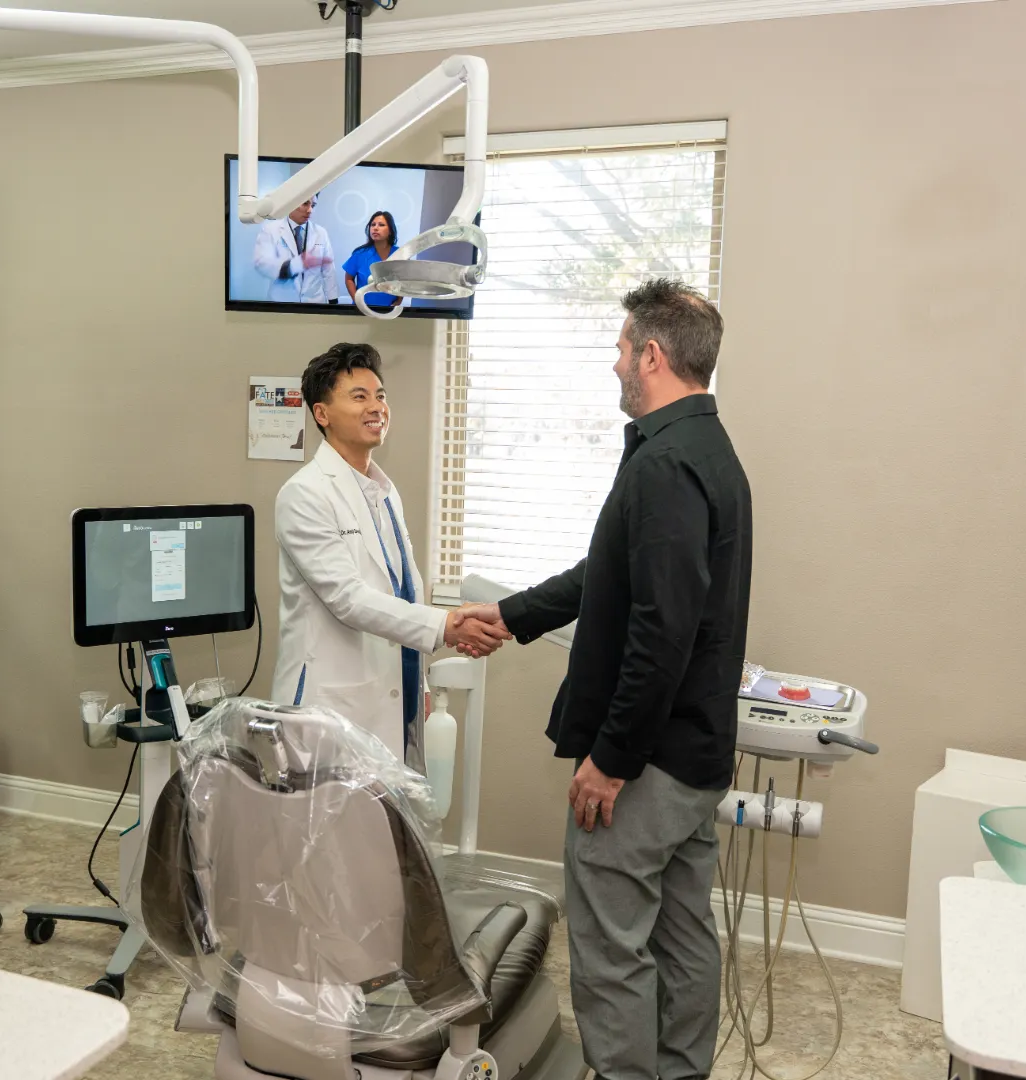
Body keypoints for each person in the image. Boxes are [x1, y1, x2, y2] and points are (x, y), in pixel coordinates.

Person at [457, 280, 751, 1080]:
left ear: (652, 356)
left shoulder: (665, 465)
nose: (614, 360)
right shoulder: (705, 451)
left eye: (622, 347)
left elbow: (662, 632)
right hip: (693, 757)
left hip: (647, 763)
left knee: (613, 945)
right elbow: (611, 574)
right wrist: (513, 615)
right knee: (685, 935)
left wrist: (612, 757)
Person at [274, 342, 509, 768]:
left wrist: (452, 617)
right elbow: (348, 598)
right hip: (332, 704)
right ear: (321, 414)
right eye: (359, 396)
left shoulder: (383, 491)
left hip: (392, 688)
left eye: (380, 395)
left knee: (384, 824)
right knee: (328, 830)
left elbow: (400, 592)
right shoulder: (304, 494)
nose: (377, 407)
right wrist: (446, 626)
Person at [253, 195, 339, 304]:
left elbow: (329, 270)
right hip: (282, 303)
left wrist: (333, 300)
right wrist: (294, 265)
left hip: (314, 302)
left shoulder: (321, 233)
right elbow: (262, 264)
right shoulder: (271, 230)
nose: (310, 210)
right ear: (291, 202)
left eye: (313, 205)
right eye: (305, 204)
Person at [343, 210, 399, 310]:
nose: (375, 228)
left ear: (390, 230)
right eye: (373, 225)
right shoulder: (360, 254)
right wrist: (357, 300)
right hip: (362, 310)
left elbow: (404, 280)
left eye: (381, 225)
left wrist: (399, 300)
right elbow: (348, 279)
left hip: (389, 310)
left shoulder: (400, 254)